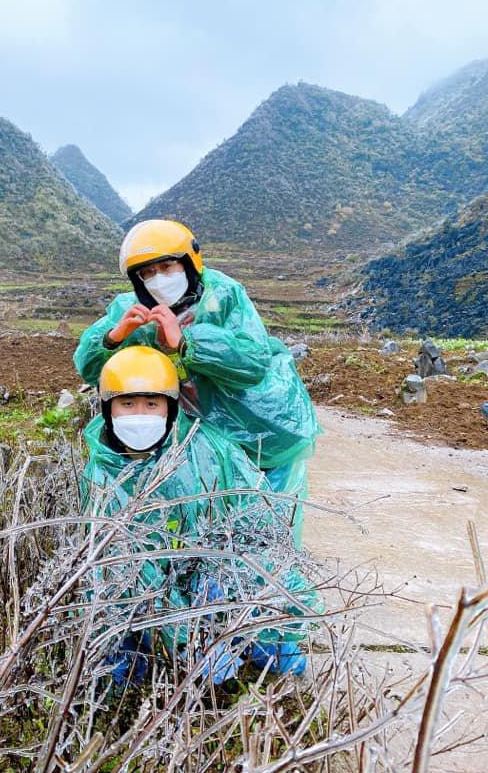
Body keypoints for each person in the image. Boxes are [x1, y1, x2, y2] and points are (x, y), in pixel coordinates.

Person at [74, 219, 319, 545]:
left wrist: (187, 343)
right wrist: (114, 337)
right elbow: (91, 370)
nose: (158, 279)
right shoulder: (131, 309)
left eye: (167, 266)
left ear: (189, 263)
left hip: (262, 424)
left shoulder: (224, 294)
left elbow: (253, 362)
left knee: (269, 522)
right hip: (203, 427)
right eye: (147, 273)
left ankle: (270, 582)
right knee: (213, 508)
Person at [82, 345, 314, 686]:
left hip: (202, 576)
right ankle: (131, 680)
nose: (140, 415)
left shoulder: (205, 451)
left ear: (170, 408)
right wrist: (184, 631)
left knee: (264, 628)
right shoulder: (101, 476)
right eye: (127, 404)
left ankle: (255, 650)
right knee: (113, 631)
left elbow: (257, 523)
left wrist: (276, 602)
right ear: (108, 409)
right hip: (142, 597)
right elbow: (123, 570)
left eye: (152, 404)